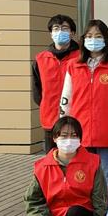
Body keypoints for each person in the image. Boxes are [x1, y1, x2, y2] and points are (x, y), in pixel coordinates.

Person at [24, 116, 107, 216]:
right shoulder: (42, 167)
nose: (69, 140)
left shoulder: (92, 162)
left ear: (80, 139)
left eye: (74, 135)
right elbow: (33, 202)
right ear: (55, 138)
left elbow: (100, 199)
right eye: (63, 135)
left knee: (75, 212)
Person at [60, 20, 108, 190]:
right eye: (89, 36)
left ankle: (105, 208)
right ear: (83, 39)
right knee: (81, 177)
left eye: (98, 36)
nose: (93, 39)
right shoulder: (73, 65)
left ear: (106, 39)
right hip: (80, 134)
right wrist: (63, 126)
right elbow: (66, 98)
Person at [33, 14, 79, 152]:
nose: (60, 32)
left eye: (65, 28)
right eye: (56, 28)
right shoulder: (40, 59)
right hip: (50, 119)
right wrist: (46, 104)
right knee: (51, 159)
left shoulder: (81, 57)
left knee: (78, 159)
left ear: (72, 33)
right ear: (51, 33)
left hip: (76, 118)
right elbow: (37, 90)